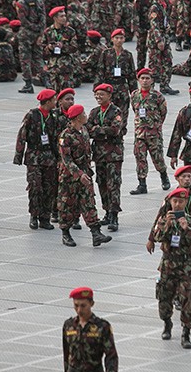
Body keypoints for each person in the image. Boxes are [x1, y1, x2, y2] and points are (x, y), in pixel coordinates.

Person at [152, 187, 191, 349]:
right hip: (168, 264)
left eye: (181, 201)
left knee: (187, 298)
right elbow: (157, 237)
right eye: (175, 201)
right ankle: (167, 323)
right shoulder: (163, 220)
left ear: (186, 202)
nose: (178, 204)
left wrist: (186, 228)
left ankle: (186, 332)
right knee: (164, 297)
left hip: (186, 265)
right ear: (170, 202)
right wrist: (166, 225)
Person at [57, 104, 112, 248]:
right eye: (83, 114)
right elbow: (66, 159)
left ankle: (96, 233)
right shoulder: (65, 136)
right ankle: (65, 233)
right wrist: (79, 174)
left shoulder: (84, 130)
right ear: (77, 118)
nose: (86, 116)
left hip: (85, 173)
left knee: (89, 202)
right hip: (69, 176)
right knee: (67, 204)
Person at [14, 89, 60, 230]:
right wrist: (18, 155)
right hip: (34, 156)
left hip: (49, 157)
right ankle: (34, 216)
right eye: (54, 99)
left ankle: (45, 218)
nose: (55, 102)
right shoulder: (32, 115)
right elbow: (22, 135)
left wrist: (59, 157)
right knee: (35, 187)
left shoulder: (53, 116)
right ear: (47, 101)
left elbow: (57, 137)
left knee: (49, 188)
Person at [62, 287, 118, 372]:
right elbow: (66, 355)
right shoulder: (69, 326)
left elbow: (111, 356)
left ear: (92, 304)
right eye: (76, 305)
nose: (79, 310)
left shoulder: (102, 327)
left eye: (83, 306)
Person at [87, 84, 125, 231]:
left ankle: (114, 215)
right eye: (96, 94)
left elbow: (115, 130)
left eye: (101, 94)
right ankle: (107, 212)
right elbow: (88, 129)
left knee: (113, 184)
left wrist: (97, 130)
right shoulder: (94, 112)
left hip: (113, 154)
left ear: (109, 96)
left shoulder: (116, 111)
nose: (98, 97)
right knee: (102, 183)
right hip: (99, 154)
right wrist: (101, 131)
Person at [130, 68, 170, 194]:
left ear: (152, 80)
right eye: (142, 78)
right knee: (140, 158)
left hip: (154, 133)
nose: (145, 81)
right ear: (138, 80)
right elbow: (135, 110)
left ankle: (164, 176)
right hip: (139, 133)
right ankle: (142, 184)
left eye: (147, 78)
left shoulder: (157, 96)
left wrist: (155, 125)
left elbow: (163, 112)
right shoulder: (134, 95)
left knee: (157, 158)